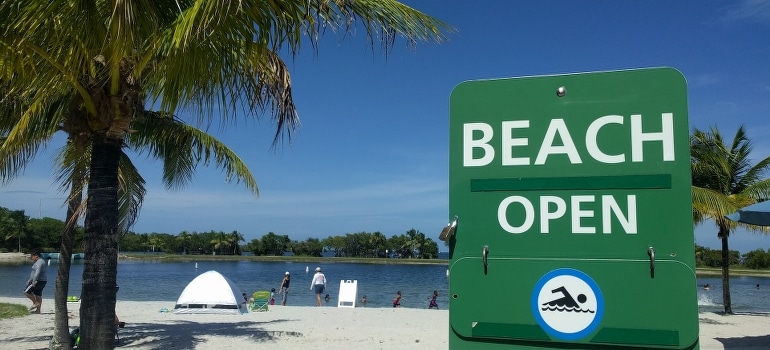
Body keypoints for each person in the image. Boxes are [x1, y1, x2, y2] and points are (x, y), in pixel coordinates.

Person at [23, 249, 47, 314]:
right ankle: (38, 310)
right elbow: (33, 272)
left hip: (38, 281)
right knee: (38, 295)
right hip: (42, 281)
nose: (31, 258)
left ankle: (35, 303)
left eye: (32, 256)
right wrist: (30, 280)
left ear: (36, 256)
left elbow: (37, 272)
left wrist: (34, 281)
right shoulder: (40, 261)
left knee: (26, 292)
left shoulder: (39, 262)